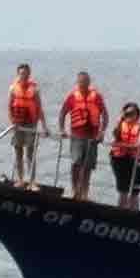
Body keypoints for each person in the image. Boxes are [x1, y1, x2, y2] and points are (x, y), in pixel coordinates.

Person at [57, 71, 108, 202]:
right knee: (76, 163)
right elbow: (63, 113)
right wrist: (62, 129)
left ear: (89, 82)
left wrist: (102, 132)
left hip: (92, 137)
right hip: (77, 136)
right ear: (77, 83)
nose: (83, 84)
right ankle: (75, 191)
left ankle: (84, 193)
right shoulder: (72, 97)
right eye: (81, 82)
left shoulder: (96, 97)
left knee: (87, 166)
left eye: (85, 82)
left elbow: (105, 115)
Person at [7, 63, 46, 186]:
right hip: (17, 124)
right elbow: (9, 107)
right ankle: (20, 179)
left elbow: (39, 108)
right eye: (21, 73)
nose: (23, 75)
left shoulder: (35, 89)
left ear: (29, 74)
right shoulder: (13, 88)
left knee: (30, 153)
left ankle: (32, 181)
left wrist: (44, 126)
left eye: (25, 73)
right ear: (18, 74)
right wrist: (12, 121)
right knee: (18, 152)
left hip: (30, 124)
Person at [108, 102, 140, 209]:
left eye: (132, 113)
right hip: (118, 158)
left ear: (137, 115)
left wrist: (135, 145)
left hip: (134, 159)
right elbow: (115, 134)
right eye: (127, 113)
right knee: (123, 188)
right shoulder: (120, 124)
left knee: (135, 189)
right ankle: (121, 209)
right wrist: (120, 119)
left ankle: (134, 210)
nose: (130, 116)